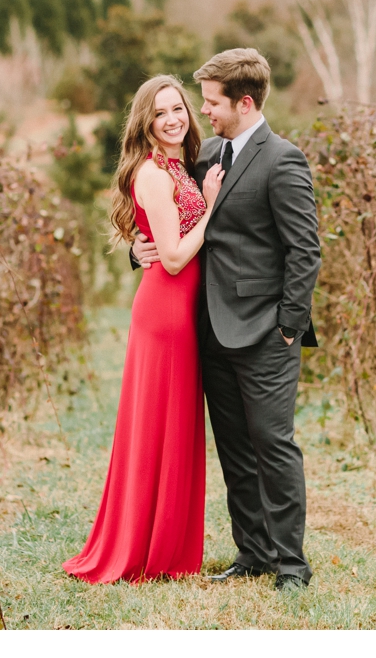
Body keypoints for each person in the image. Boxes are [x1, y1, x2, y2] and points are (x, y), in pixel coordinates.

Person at [131, 48, 322, 592]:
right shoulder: (209, 153)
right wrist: (137, 250)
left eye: (211, 102)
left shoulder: (282, 159)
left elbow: (304, 251)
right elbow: (176, 215)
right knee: (235, 447)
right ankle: (253, 553)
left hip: (266, 332)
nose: (202, 112)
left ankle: (291, 564)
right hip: (208, 329)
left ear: (244, 101)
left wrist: (288, 326)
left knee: (272, 444)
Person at [62, 75, 224, 583]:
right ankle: (142, 546)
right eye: (161, 113)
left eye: (179, 108)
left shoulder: (182, 163)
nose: (173, 119)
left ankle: (166, 542)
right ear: (145, 123)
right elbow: (173, 258)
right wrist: (213, 207)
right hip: (166, 313)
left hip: (183, 310)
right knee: (158, 428)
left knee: (174, 428)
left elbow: (160, 237)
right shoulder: (155, 174)